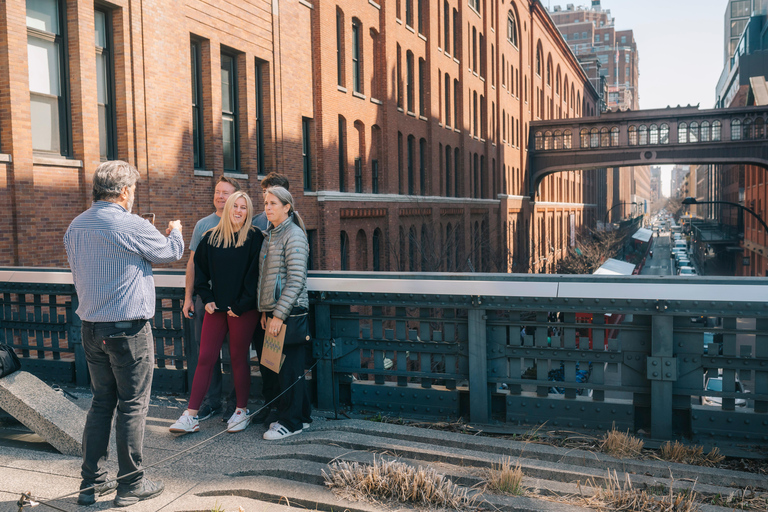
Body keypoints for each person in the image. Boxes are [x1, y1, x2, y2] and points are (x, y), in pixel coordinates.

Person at [64, 160, 184, 507]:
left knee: (101, 403)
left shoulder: (75, 226)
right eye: (134, 190)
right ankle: (131, 484)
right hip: (129, 332)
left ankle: (91, 483)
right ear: (125, 191)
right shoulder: (131, 225)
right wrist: (174, 229)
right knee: (132, 406)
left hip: (91, 329)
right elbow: (171, 252)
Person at [170, 191, 263, 434]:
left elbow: (256, 278)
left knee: (237, 358)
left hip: (243, 310)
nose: (239, 211)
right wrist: (207, 298)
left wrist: (241, 306)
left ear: (248, 212)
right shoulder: (210, 237)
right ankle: (190, 415)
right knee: (205, 358)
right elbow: (200, 273)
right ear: (228, 208)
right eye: (236, 206)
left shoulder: (255, 238)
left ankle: (241, 410)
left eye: (244, 208)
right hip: (216, 308)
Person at [182, 176, 241, 421]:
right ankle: (211, 401)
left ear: (236, 197)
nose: (220, 196)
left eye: (226, 193)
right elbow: (192, 265)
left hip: (236, 303)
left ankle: (236, 404)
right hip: (205, 300)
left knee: (236, 353)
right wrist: (188, 298)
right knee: (207, 353)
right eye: (218, 192)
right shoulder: (203, 225)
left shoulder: (243, 222)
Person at [258, 186, 311, 440]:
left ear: (287, 207)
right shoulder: (272, 234)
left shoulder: (293, 234)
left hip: (291, 313)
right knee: (282, 368)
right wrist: (265, 311)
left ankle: (291, 423)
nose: (267, 207)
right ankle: (302, 416)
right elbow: (267, 278)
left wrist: (278, 315)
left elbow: (296, 279)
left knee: (289, 369)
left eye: (273, 203)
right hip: (276, 312)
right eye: (266, 203)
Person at [250, 172, 290, 426]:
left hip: (282, 308)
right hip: (260, 306)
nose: (268, 201)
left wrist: (278, 311)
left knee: (281, 362)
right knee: (265, 360)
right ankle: (268, 404)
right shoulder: (255, 223)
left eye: (274, 196)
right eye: (266, 196)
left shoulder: (293, 225)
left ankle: (282, 410)